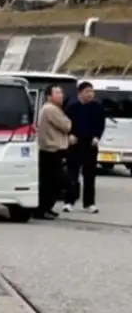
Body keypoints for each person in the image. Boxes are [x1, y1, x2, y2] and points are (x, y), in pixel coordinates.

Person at [64, 80, 105, 214]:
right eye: (87, 91)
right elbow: (66, 124)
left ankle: (89, 203)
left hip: (90, 145)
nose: (90, 94)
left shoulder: (97, 107)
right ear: (80, 93)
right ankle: (69, 201)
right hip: (75, 144)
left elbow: (101, 124)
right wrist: (69, 135)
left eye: (91, 92)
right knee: (72, 175)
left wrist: (97, 136)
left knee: (90, 175)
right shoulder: (72, 107)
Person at [36, 85, 72, 220]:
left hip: (50, 149)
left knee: (50, 182)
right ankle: (43, 208)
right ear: (49, 96)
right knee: (55, 182)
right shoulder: (51, 109)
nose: (61, 95)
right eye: (57, 93)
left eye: (61, 92)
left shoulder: (50, 109)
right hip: (52, 150)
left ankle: (45, 208)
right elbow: (67, 125)